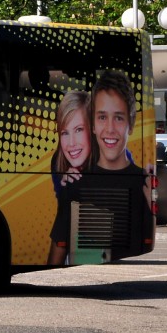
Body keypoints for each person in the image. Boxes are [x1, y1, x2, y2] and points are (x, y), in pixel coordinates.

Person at [49, 70, 150, 264]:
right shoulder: (65, 173)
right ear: (95, 124)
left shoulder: (138, 180)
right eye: (102, 117)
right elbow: (58, 253)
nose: (71, 143)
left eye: (79, 130)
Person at [47, 91, 93, 264]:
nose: (71, 143)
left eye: (79, 130)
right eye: (65, 133)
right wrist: (66, 189)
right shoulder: (58, 161)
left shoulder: (110, 158)